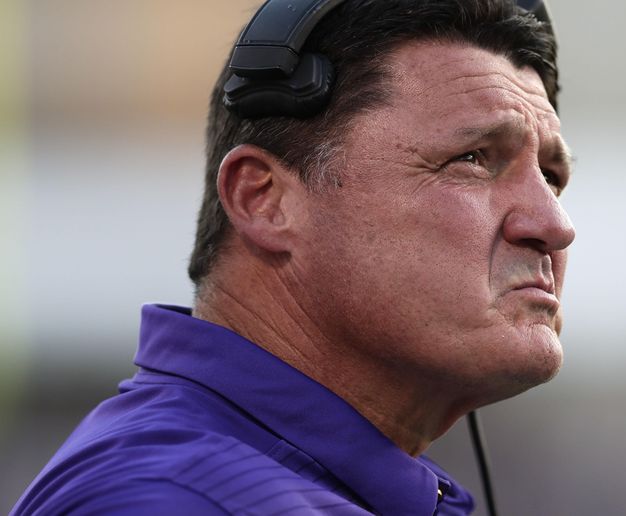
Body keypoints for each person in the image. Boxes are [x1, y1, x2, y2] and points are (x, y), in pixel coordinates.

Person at [13, 0, 575, 514]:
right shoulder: (169, 497)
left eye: (551, 177)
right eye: (473, 158)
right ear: (263, 200)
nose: (555, 225)